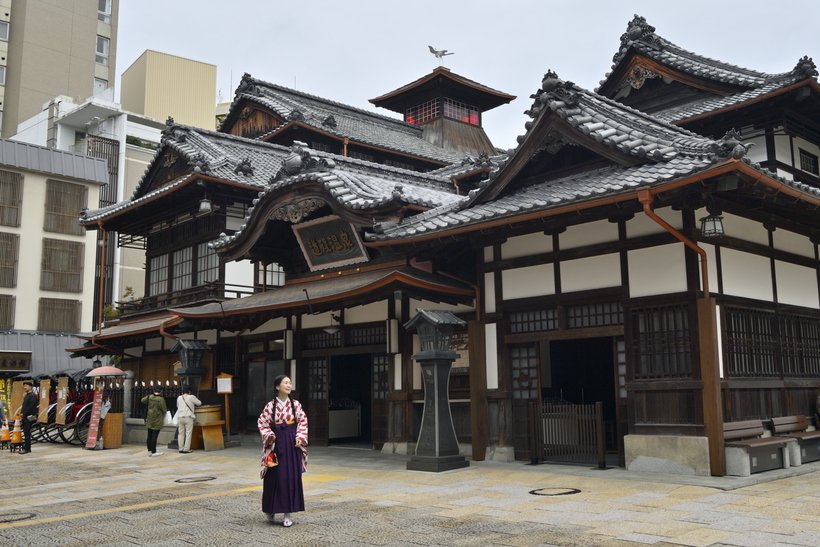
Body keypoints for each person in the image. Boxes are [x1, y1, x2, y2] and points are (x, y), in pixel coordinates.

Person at [257, 375, 308, 527]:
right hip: (275, 443)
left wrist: (300, 436)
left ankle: (287, 513)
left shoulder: (295, 405)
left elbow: (303, 421)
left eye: (290, 383)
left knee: (290, 477)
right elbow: (262, 422)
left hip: (292, 443)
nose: (288, 385)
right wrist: (269, 435)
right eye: (285, 383)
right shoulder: (270, 406)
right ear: (277, 387)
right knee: (273, 476)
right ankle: (270, 509)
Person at [141, 386, 167, 457]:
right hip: (157, 419)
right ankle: (154, 451)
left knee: (149, 435)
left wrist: (149, 396)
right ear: (161, 391)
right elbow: (164, 409)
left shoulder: (150, 397)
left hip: (149, 418)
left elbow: (142, 400)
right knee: (154, 436)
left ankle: (149, 450)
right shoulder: (161, 399)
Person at [175, 386, 201, 453]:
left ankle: (180, 448)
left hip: (180, 417)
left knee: (180, 433)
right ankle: (186, 449)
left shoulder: (179, 397)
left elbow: (178, 406)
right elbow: (199, 403)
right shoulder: (191, 397)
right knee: (188, 433)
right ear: (189, 391)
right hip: (188, 417)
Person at [20, 380, 38, 455]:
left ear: (30, 387)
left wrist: (24, 414)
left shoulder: (33, 396)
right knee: (25, 432)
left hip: (30, 417)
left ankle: (27, 449)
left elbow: (30, 407)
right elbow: (24, 406)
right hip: (25, 416)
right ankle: (26, 447)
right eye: (24, 386)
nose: (25, 387)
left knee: (27, 433)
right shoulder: (27, 395)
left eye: (26, 386)